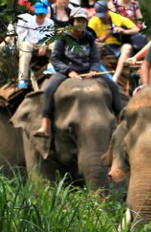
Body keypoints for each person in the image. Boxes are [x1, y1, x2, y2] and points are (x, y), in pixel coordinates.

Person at [34, 8, 124, 137]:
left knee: (113, 86)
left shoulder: (88, 37)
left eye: (83, 21)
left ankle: (120, 120)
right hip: (66, 70)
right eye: (78, 21)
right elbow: (55, 58)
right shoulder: (63, 37)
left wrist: (94, 69)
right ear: (72, 22)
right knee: (49, 88)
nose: (81, 24)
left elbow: (95, 59)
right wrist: (68, 71)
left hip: (86, 69)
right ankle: (45, 125)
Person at [1, 0, 54, 90]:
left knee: (55, 43)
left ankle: (52, 67)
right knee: (25, 46)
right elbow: (18, 32)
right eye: (39, 13)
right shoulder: (29, 21)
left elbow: (50, 36)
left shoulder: (50, 22)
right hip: (31, 43)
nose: (40, 16)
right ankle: (23, 79)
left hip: (43, 43)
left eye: (42, 13)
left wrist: (45, 45)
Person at [89, 0, 146, 83]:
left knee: (127, 47)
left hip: (117, 46)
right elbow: (90, 39)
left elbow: (137, 29)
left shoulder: (116, 17)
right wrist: (105, 36)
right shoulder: (93, 21)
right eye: (99, 16)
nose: (102, 18)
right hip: (102, 46)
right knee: (97, 47)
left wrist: (124, 31)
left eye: (103, 15)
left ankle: (115, 77)